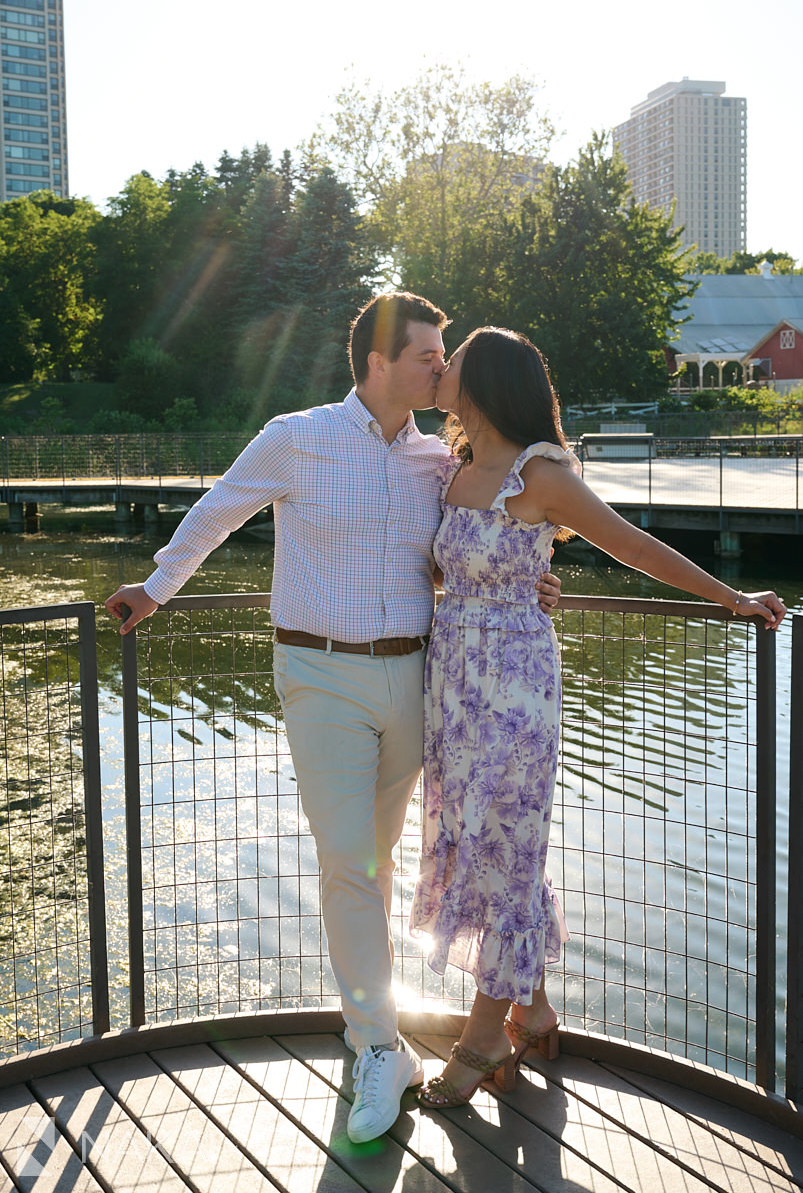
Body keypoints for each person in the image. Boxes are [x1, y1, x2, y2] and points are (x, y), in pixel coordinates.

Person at [104, 294, 560, 1144]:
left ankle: (498, 1007)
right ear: (380, 362)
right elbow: (217, 511)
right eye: (429, 353)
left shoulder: (436, 461)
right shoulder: (297, 434)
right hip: (320, 677)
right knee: (349, 865)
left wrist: (524, 582)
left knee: (386, 863)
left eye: (445, 353)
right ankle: (379, 1046)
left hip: (419, 681)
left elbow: (473, 548)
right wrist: (155, 587)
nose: (441, 366)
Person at [409, 326, 786, 1108]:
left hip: (514, 687)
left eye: (453, 366)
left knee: (503, 847)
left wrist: (733, 598)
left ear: (482, 386)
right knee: (482, 838)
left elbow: (633, 547)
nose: (439, 373)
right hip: (452, 685)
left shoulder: (538, 474)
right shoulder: (452, 469)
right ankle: (535, 1009)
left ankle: (482, 1039)